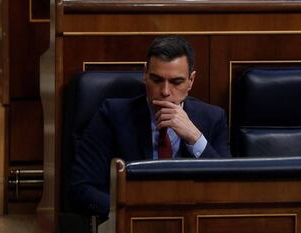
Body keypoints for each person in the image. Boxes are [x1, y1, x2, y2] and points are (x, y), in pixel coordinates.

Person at [71, 36, 231, 217]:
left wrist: (195, 137)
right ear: (145, 74)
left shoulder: (212, 118)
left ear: (191, 81)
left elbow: (227, 188)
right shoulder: (113, 115)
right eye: (156, 80)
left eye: (176, 82)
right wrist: (133, 214)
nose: (165, 91)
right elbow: (82, 188)